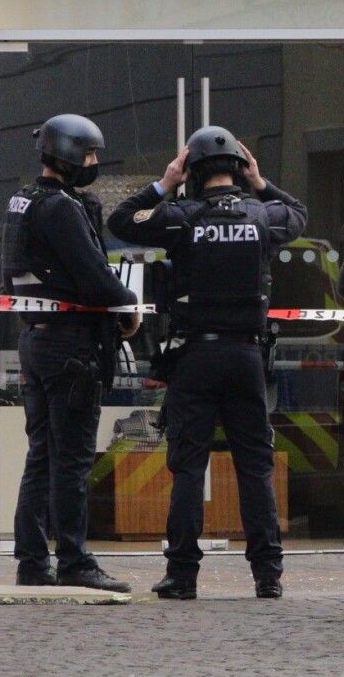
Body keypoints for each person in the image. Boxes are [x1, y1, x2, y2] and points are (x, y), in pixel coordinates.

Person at [109, 127, 307, 600]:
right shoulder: (262, 217)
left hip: (195, 358)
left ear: (192, 173)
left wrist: (164, 183)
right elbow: (299, 213)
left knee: (189, 466)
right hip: (246, 358)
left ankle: (182, 576)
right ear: (239, 168)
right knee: (255, 467)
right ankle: (267, 575)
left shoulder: (180, 217)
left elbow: (120, 221)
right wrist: (260, 182)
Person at [0, 113, 140, 591]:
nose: (94, 162)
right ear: (67, 153)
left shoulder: (23, 201)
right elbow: (94, 276)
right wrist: (129, 303)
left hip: (36, 341)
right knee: (74, 459)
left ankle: (32, 562)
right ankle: (75, 562)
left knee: (42, 454)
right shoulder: (60, 208)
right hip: (69, 348)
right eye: (90, 153)